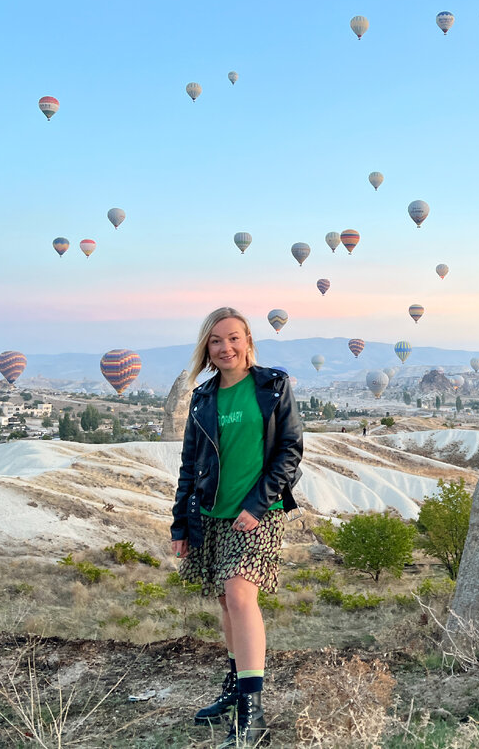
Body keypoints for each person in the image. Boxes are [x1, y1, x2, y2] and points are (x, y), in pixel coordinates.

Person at [170, 307, 304, 746]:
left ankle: (253, 712)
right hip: (210, 514)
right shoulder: (204, 398)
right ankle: (234, 685)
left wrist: (257, 503)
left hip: (258, 512)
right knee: (227, 603)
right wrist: (180, 526)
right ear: (205, 349)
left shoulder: (272, 386)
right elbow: (190, 465)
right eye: (215, 341)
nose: (225, 347)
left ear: (248, 340)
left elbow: (289, 451)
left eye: (233, 338)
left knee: (240, 594)